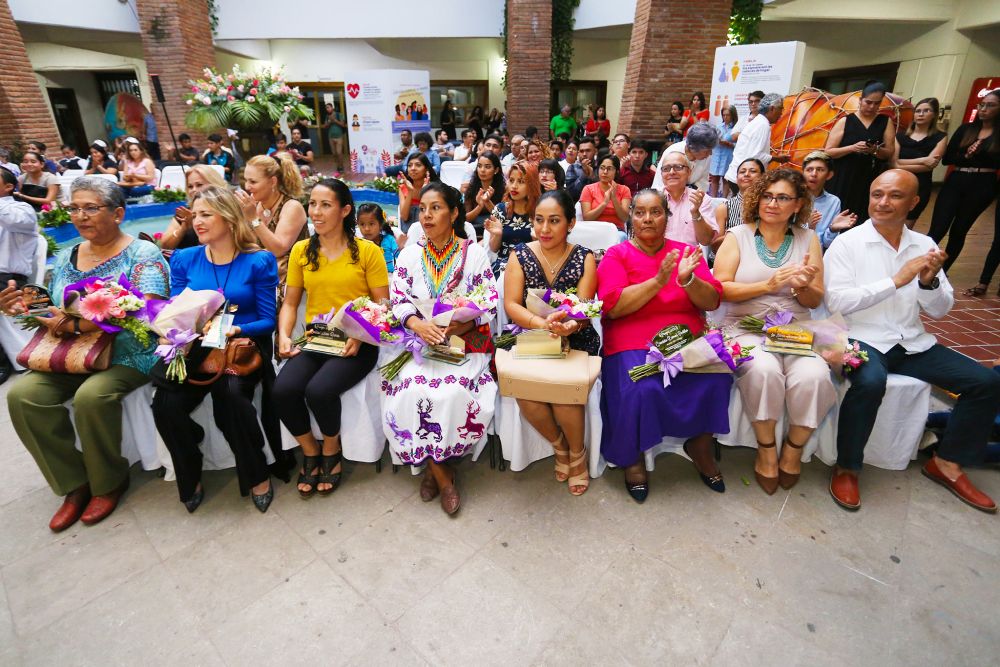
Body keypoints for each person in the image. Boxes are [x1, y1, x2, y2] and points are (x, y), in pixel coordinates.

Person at [825, 169, 1000, 513]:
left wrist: (927, 283)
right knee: (870, 382)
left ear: (914, 202)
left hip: (911, 341)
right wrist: (896, 280)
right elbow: (836, 302)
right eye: (877, 194)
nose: (883, 202)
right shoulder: (848, 243)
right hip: (858, 336)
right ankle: (847, 467)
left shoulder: (924, 244)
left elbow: (940, 310)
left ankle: (947, 462)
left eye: (895, 195)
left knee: (985, 382)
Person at [2, 176, 169, 531]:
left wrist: (80, 323)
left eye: (91, 208)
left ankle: (108, 482)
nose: (80, 216)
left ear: (118, 213)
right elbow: (51, 306)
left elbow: (148, 308)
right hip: (72, 353)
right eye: (74, 208)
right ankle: (74, 482)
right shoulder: (67, 256)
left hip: (129, 352)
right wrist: (22, 308)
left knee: (92, 396)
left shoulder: (142, 253)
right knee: (22, 396)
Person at [152, 186, 278, 513]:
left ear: (229, 218)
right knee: (165, 402)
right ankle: (189, 469)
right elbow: (177, 309)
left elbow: (268, 321)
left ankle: (256, 473)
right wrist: (175, 331)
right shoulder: (184, 259)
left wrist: (236, 329)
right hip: (196, 346)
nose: (197, 221)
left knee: (231, 395)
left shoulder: (258, 260)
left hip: (241, 346)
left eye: (206, 214)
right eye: (195, 215)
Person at [598, 189, 730, 502]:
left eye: (655, 212)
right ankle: (632, 455)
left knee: (717, 375)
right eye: (640, 212)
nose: (648, 219)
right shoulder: (617, 255)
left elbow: (711, 301)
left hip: (686, 338)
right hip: (631, 338)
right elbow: (613, 308)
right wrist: (658, 281)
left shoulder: (687, 252)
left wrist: (687, 280)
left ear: (667, 217)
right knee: (639, 388)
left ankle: (700, 445)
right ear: (631, 218)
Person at [714, 169, 835, 494]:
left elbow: (815, 299)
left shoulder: (808, 239)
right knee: (763, 370)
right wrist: (767, 285)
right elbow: (720, 288)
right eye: (767, 196)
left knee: (815, 376)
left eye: (783, 198)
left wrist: (801, 287)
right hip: (744, 325)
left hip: (793, 328)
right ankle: (767, 449)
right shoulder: (738, 236)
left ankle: (793, 449)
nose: (773, 203)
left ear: (798, 204)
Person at [382, 182, 498, 514]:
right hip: (419, 341)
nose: (427, 215)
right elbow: (399, 299)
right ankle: (443, 476)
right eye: (422, 209)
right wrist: (418, 324)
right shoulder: (410, 254)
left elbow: (487, 301)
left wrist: (457, 326)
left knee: (452, 393)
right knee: (410, 391)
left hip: (463, 341)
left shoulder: (473, 253)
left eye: (436, 208)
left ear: (454, 212)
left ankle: (434, 468)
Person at [274, 179, 390, 498]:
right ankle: (310, 451)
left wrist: (362, 335)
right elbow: (291, 303)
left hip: (357, 342)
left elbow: (383, 305)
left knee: (319, 390)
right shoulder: (301, 251)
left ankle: (330, 449)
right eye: (313, 204)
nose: (316, 211)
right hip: (317, 339)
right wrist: (284, 335)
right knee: (283, 390)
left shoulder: (368, 251)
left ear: (345, 210)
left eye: (325, 205)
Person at [502, 189, 600, 495]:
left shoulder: (584, 257)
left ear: (570, 223)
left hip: (575, 337)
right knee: (524, 389)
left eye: (554, 221)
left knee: (563, 392)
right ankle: (560, 446)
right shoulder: (520, 254)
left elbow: (583, 308)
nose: (544, 229)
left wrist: (570, 325)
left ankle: (577, 455)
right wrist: (541, 324)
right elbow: (511, 304)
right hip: (531, 335)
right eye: (539, 220)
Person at [929, 89, 999, 287]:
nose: (984, 109)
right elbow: (948, 158)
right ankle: (918, 266)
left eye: (990, 105)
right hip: (957, 179)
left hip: (983, 184)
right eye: (982, 105)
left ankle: (942, 273)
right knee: (938, 227)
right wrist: (966, 155)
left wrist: (980, 155)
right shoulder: (966, 129)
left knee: (959, 230)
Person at [824, 81, 896, 220]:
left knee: (861, 214)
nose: (872, 106)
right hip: (843, 175)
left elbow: (889, 152)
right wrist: (852, 148)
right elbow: (828, 151)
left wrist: (874, 150)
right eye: (868, 102)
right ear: (860, 100)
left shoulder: (885, 121)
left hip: (868, 176)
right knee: (838, 212)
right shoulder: (845, 121)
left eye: (876, 103)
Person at [235, 154, 308, 288]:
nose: (247, 186)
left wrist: (253, 219)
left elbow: (278, 250)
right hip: (259, 275)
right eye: (246, 180)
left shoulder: (292, 207)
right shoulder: (254, 205)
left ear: (273, 182)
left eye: (253, 182)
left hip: (289, 281)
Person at [0, 167, 39, 385]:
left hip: (10, 278)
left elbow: (12, 221)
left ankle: (1, 362)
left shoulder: (22, 209)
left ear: (9, 187)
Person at [891, 97, 947, 228]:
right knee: (889, 222)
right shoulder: (900, 136)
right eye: (918, 111)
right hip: (897, 183)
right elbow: (893, 164)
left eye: (926, 111)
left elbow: (929, 166)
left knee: (906, 227)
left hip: (920, 186)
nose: (921, 114)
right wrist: (923, 160)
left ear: (934, 114)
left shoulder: (940, 137)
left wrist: (901, 164)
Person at [723, 93, 789, 193]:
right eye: (781, 108)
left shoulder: (758, 121)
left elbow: (752, 151)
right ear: (772, 108)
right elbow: (756, 156)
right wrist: (777, 159)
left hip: (738, 176)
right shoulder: (762, 125)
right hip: (743, 179)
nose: (781, 113)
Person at [159, 164, 230, 252]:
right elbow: (165, 247)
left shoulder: (227, 210)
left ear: (214, 185)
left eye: (199, 185)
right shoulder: (183, 213)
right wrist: (184, 228)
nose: (194, 190)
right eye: (190, 186)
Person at [485, 161, 539, 275]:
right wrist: (498, 235)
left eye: (521, 181)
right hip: (504, 266)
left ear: (532, 185)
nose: (514, 186)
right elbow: (494, 249)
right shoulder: (500, 209)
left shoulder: (539, 212)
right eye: (511, 180)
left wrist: (537, 240)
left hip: (531, 267)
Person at [659, 151, 718, 246]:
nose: (672, 172)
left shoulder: (700, 199)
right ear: (661, 174)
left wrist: (696, 213)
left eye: (678, 167)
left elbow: (706, 240)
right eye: (666, 169)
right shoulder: (653, 198)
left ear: (689, 172)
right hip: (658, 254)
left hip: (689, 254)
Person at [801, 150, 857, 249]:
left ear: (829, 175)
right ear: (803, 173)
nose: (814, 174)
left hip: (817, 254)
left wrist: (833, 229)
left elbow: (827, 244)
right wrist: (807, 226)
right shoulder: (794, 197)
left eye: (820, 170)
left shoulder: (833, 201)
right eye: (809, 169)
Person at [652, 122, 719, 193]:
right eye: (707, 150)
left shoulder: (705, 157)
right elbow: (660, 184)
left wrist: (694, 194)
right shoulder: (672, 153)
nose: (710, 153)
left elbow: (703, 182)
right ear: (695, 148)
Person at [712, 157, 764, 248]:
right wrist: (741, 232)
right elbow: (715, 246)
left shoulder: (769, 206)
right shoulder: (725, 208)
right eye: (742, 172)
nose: (746, 174)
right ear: (736, 178)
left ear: (763, 177)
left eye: (753, 171)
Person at [580, 154, 631, 229]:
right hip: (594, 230)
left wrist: (614, 198)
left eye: (609, 169)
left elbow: (624, 218)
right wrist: (604, 203)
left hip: (616, 231)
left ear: (616, 172)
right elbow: (587, 218)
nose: (605, 172)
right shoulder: (588, 189)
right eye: (602, 168)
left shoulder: (624, 190)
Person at [464, 151, 505, 237]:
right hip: (473, 231)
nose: (482, 170)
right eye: (479, 166)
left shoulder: (504, 189)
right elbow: (465, 219)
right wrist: (480, 206)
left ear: (496, 170)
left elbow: (502, 218)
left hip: (496, 231)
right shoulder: (470, 188)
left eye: (487, 167)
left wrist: (487, 202)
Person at [397, 152, 438, 234]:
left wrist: (424, 193)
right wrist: (410, 192)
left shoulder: (434, 189)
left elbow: (434, 216)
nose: (413, 168)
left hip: (430, 231)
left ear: (426, 169)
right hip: (408, 233)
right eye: (410, 165)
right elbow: (404, 217)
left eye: (418, 165)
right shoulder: (403, 188)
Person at [357, 202, 399, 272]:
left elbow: (401, 258)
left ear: (381, 225)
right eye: (362, 224)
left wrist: (401, 248)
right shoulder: (359, 245)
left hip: (390, 276)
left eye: (371, 224)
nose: (367, 229)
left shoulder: (389, 240)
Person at [710, 105, 738, 197]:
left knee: (726, 179)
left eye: (728, 115)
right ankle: (713, 199)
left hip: (728, 156)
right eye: (723, 115)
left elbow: (741, 145)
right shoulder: (718, 127)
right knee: (714, 178)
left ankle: (724, 199)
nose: (725, 117)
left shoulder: (736, 128)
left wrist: (729, 144)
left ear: (733, 115)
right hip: (717, 155)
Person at [566, 136, 598, 201]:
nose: (584, 154)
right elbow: (571, 193)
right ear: (578, 153)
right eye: (581, 151)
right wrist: (584, 174)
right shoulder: (572, 168)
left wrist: (592, 177)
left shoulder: (601, 167)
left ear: (595, 151)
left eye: (588, 150)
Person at [322, 102, 347, 171]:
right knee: (334, 154)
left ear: (332, 107)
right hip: (331, 137)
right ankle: (338, 166)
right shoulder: (327, 116)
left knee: (339, 153)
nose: (327, 109)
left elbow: (343, 124)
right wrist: (330, 121)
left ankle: (341, 166)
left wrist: (335, 120)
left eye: (328, 107)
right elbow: (324, 126)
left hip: (339, 136)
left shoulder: (339, 115)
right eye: (326, 108)